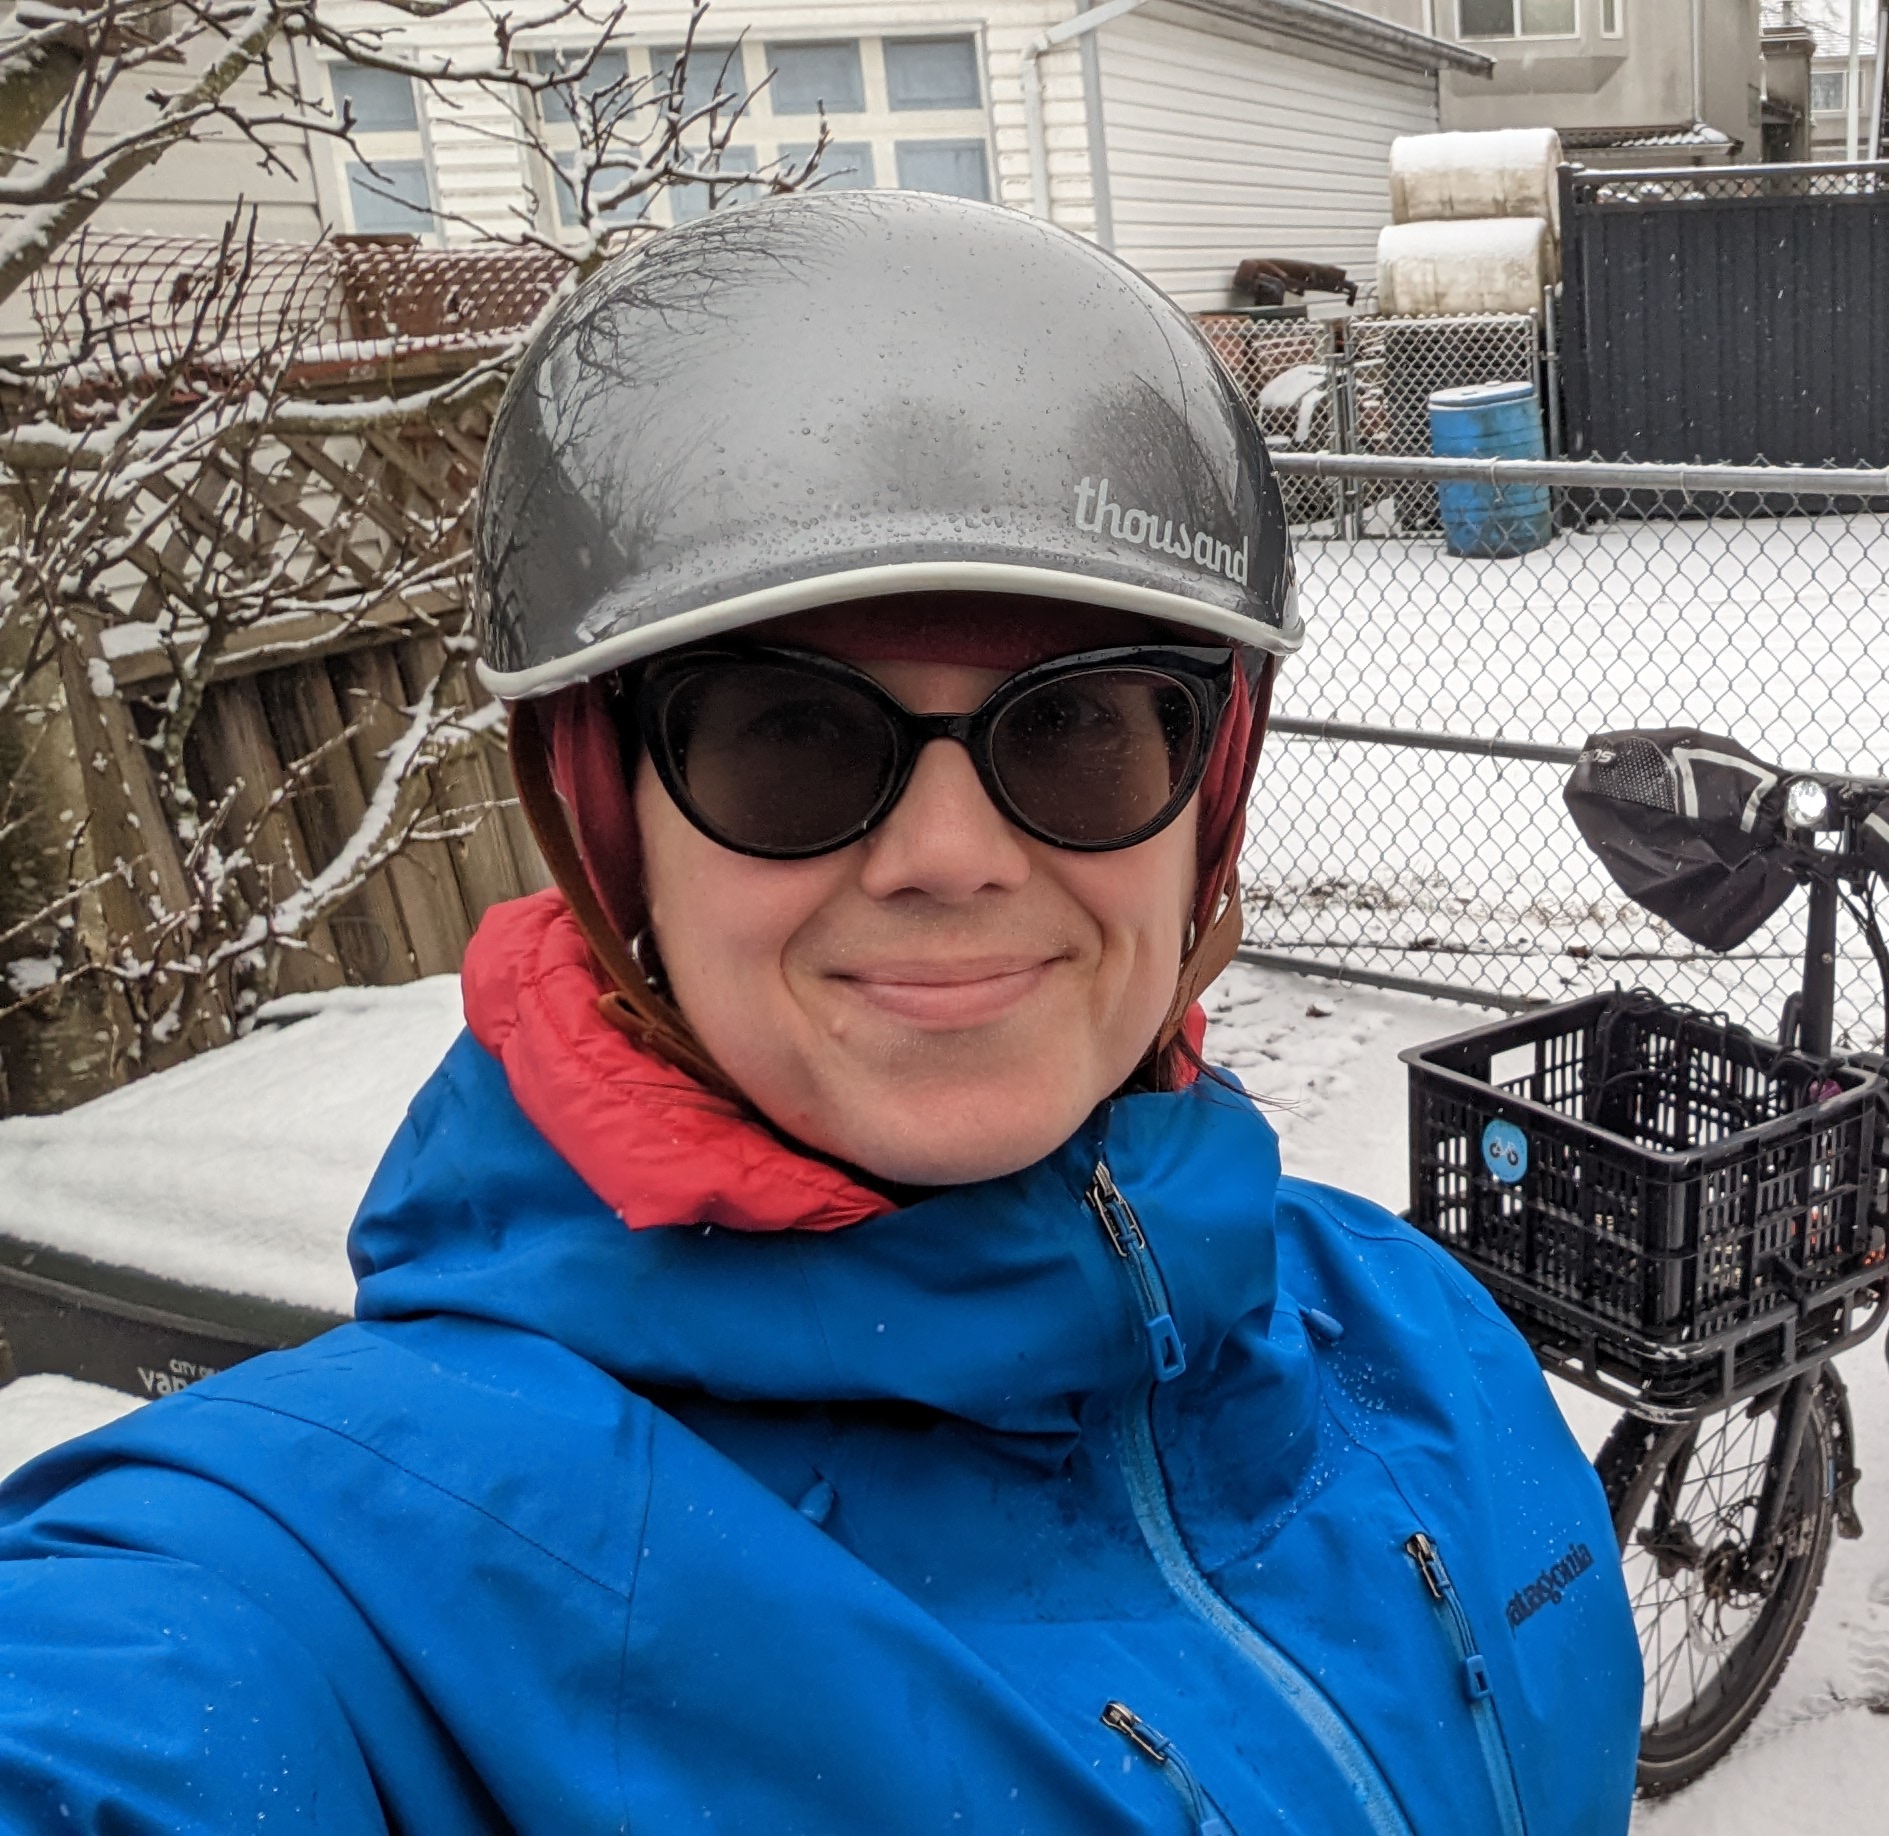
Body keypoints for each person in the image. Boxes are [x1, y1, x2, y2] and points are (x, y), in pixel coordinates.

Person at [0, 192, 1640, 1832]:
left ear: (1203, 800)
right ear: (607, 813)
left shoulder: (1416, 1337)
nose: (949, 857)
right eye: (788, 736)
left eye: (1078, 730)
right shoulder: (354, 1570)